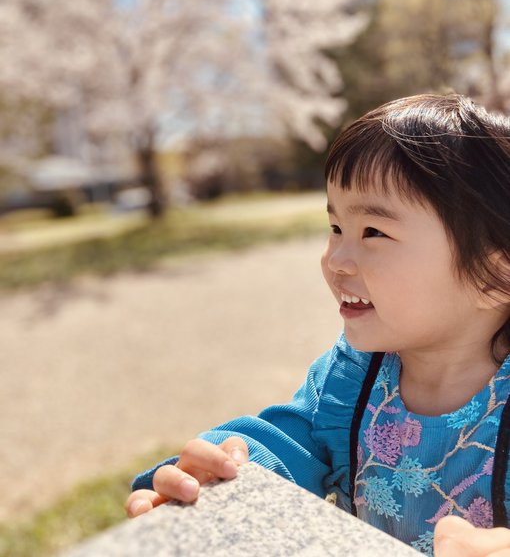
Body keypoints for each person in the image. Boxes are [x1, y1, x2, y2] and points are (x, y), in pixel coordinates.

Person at [125, 94, 510, 556]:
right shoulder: (353, 377)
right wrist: (216, 470)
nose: (336, 260)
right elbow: (285, 442)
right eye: (335, 229)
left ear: (495, 276)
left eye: (374, 232)